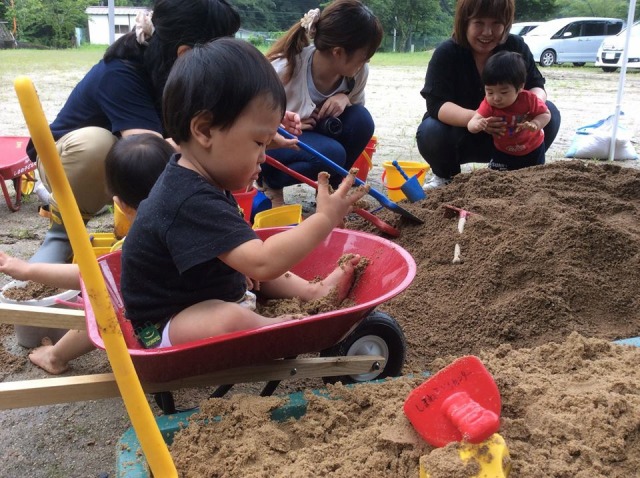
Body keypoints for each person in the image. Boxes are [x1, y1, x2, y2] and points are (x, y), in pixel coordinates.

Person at [121, 38, 368, 348]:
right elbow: (263, 262)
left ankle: (311, 292)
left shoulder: (199, 175)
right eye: (258, 143)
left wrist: (258, 139)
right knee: (239, 302)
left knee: (256, 256)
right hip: (165, 325)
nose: (264, 157)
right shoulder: (187, 198)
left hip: (199, 289)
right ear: (205, 131)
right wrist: (323, 219)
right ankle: (269, 326)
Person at [0, 134, 174, 373]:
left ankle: (54, 356)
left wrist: (26, 269)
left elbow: (89, 275)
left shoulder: (140, 246)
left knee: (107, 306)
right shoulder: (193, 220)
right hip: (198, 316)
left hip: (157, 335)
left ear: (120, 204)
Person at [415, 0, 561, 189]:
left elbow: (536, 85)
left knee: (550, 112)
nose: (487, 32)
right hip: (466, 132)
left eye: (496, 24)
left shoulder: (515, 46)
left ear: (506, 24)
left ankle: (522, 171)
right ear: (464, 22)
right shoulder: (447, 53)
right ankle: (446, 177)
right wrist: (479, 118)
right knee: (431, 131)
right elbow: (436, 104)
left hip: (514, 131)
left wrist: (530, 109)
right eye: (479, 23)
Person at [258, 0, 383, 207]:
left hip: (317, 138)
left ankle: (329, 193)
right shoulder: (283, 69)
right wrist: (280, 123)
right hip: (275, 144)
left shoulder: (357, 73)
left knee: (362, 120)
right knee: (332, 153)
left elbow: (356, 115)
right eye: (363, 56)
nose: (366, 62)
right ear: (338, 52)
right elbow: (249, 124)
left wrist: (346, 98)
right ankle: (270, 181)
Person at [467, 51, 551, 170]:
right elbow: (471, 124)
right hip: (502, 151)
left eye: (504, 92)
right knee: (497, 179)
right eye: (490, 92)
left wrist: (536, 123)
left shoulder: (529, 99)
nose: (496, 98)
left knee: (533, 176)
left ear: (520, 87)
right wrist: (478, 124)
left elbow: (546, 114)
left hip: (533, 148)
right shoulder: (488, 104)